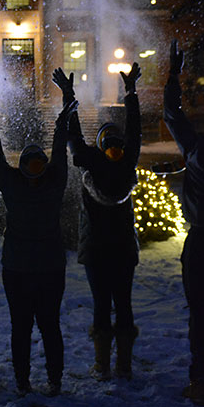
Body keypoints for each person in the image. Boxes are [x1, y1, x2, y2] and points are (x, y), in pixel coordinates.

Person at [0, 95, 78, 396]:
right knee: (49, 325)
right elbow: (59, 156)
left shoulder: (14, 185)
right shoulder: (54, 184)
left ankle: (23, 381)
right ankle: (53, 380)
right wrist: (61, 123)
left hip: (18, 268)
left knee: (22, 327)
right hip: (49, 267)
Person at [53, 63, 141, 381]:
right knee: (124, 303)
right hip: (122, 248)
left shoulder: (90, 163)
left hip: (96, 250)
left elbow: (72, 135)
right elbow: (135, 132)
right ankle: (124, 365)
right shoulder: (127, 163)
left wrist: (68, 95)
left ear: (99, 146)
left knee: (101, 303)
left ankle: (102, 364)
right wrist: (130, 93)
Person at [162, 39, 204, 407]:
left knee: (200, 315)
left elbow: (171, 113)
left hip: (202, 240)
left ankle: (200, 383)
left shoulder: (198, 149)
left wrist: (173, 73)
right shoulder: (199, 149)